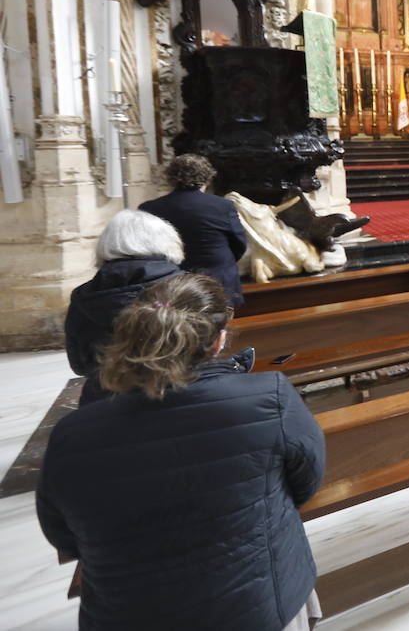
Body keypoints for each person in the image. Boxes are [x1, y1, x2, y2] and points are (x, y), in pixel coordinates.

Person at [37, 273, 325, 631]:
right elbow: (307, 480)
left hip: (128, 613)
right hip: (257, 603)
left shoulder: (71, 435)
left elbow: (63, 533)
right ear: (219, 341)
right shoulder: (270, 398)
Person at [65, 210, 185, 406]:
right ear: (168, 241)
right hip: (179, 395)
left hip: (106, 400)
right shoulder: (188, 287)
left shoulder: (83, 296)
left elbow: (79, 364)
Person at [140, 154, 247, 306]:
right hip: (218, 278)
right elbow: (239, 244)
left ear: (171, 178)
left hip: (173, 280)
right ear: (207, 177)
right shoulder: (222, 206)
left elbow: (148, 248)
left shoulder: (150, 208)